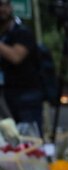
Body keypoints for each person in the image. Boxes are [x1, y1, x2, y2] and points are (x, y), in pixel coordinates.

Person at [0, 0, 43, 131]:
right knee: (11, 136)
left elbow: (16, 57)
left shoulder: (22, 32)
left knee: (30, 136)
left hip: (27, 95)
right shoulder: (4, 35)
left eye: (4, 5)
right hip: (7, 95)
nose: (2, 9)